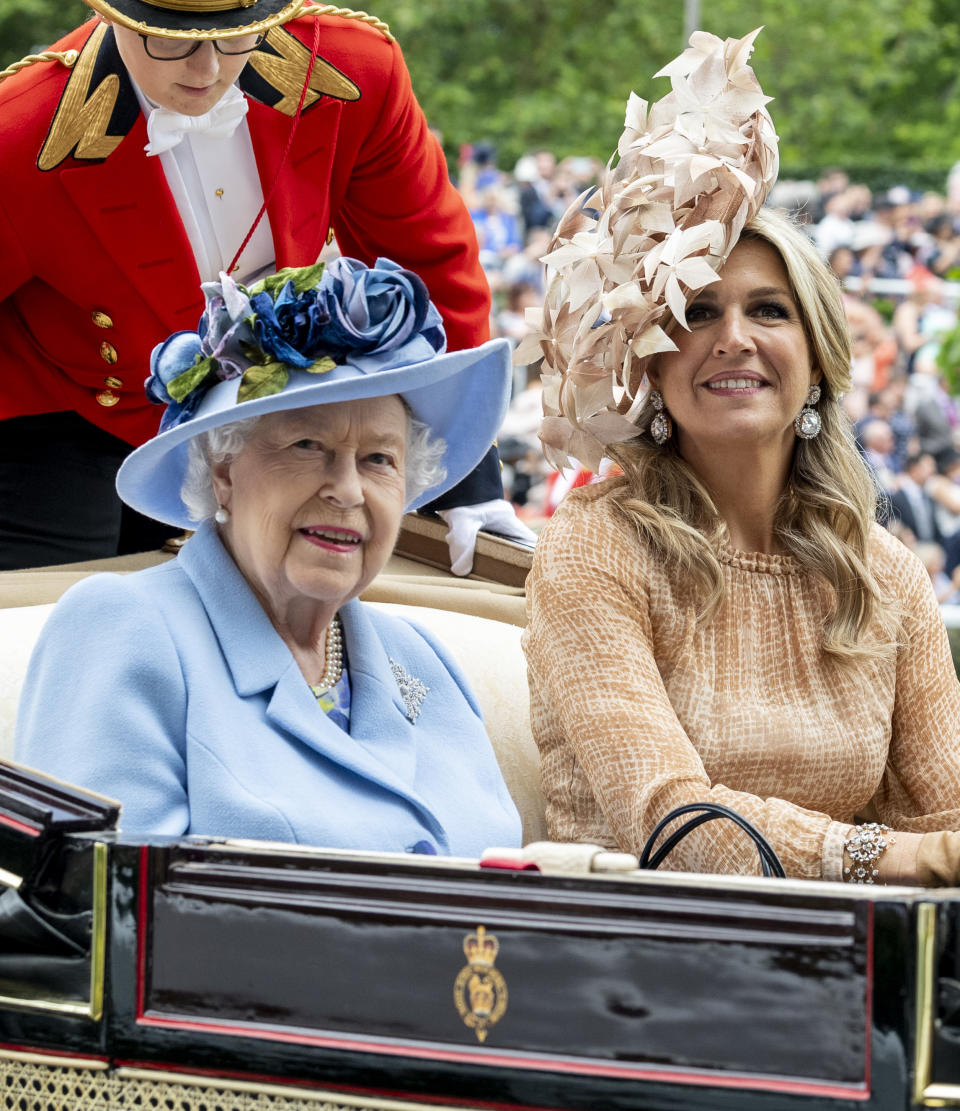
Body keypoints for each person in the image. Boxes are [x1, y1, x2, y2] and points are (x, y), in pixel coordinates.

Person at [521, 29, 960, 886]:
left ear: (818, 355)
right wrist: (892, 856)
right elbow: (669, 823)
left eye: (768, 310)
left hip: (846, 973)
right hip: (635, 968)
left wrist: (927, 857)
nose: (733, 340)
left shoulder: (888, 576)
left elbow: (945, 821)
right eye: (695, 313)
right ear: (651, 359)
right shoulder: (594, 548)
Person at [0, 0, 532, 572]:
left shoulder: (357, 71)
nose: (206, 71)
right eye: (171, 39)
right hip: (60, 414)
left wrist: (468, 471)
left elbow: (429, 263)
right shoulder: (18, 131)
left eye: (234, 37)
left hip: (251, 408)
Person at [15, 257, 522, 855]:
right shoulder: (124, 627)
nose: (348, 490)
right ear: (224, 469)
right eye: (308, 445)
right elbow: (102, 910)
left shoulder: (421, 657)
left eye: (379, 459)